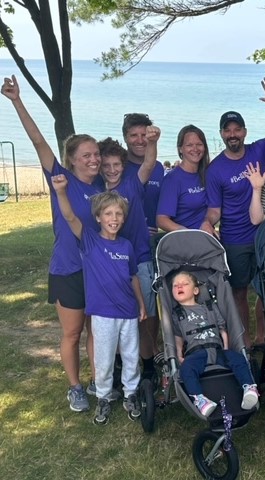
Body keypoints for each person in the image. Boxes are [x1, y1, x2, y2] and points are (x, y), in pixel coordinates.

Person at [2, 74, 102, 412]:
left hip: (97, 270)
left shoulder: (103, 187)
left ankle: (99, 381)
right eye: (86, 155)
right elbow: (38, 141)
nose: (94, 159)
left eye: (96, 154)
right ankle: (75, 388)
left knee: (95, 332)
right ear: (72, 159)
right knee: (73, 333)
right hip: (68, 269)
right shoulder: (60, 178)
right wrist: (17, 101)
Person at [201, 77, 265, 348]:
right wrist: (207, 223)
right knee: (239, 292)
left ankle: (264, 336)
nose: (233, 134)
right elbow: (214, 210)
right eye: (227, 130)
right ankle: (245, 340)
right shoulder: (215, 169)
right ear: (222, 134)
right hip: (235, 240)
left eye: (237, 129)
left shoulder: (260, 150)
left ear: (244, 131)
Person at [52, 175, 146, 425]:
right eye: (108, 214)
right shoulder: (90, 241)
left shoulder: (126, 246)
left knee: (130, 356)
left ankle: (131, 394)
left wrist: (142, 304)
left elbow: (133, 277)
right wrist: (61, 192)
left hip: (127, 312)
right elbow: (70, 217)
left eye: (118, 214)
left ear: (123, 218)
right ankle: (103, 397)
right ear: (98, 218)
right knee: (103, 359)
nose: (113, 219)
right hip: (103, 314)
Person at [97, 128, 161, 387]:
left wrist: (153, 142)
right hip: (109, 264)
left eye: (116, 164)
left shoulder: (133, 183)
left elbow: (149, 162)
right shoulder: (97, 191)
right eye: (106, 165)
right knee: (113, 317)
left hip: (140, 259)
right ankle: (117, 366)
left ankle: (148, 366)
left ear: (123, 165)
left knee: (144, 316)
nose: (112, 169)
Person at [171, 271, 259, 416]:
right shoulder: (177, 314)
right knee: (186, 368)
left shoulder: (209, 307)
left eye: (184, 284)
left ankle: (249, 388)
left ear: (195, 290)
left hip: (217, 349)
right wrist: (179, 354)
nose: (179, 287)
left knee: (238, 359)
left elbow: (222, 329)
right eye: (175, 285)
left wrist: (225, 346)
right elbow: (178, 336)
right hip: (196, 352)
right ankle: (200, 400)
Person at [121, 113, 164, 372]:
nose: (139, 140)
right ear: (125, 137)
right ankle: (129, 356)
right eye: (133, 135)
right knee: (129, 305)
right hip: (125, 245)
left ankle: (152, 348)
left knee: (152, 304)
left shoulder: (157, 166)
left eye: (143, 135)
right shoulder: (115, 166)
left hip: (152, 245)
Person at [156, 125, 210, 231]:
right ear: (180, 149)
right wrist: (186, 233)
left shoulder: (208, 173)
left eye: (199, 144)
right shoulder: (173, 180)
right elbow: (161, 220)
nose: (195, 149)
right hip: (185, 241)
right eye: (189, 145)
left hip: (207, 237)